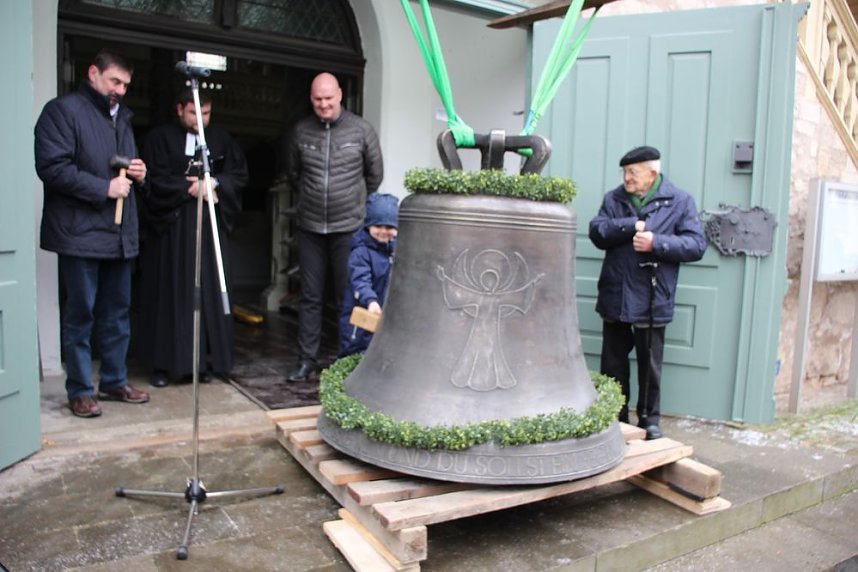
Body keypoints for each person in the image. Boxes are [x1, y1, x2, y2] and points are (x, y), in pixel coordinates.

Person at [35, 49, 150, 418]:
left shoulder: (123, 119)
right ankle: (81, 390)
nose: (120, 90)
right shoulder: (62, 111)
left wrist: (139, 174)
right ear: (92, 73)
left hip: (118, 235)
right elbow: (52, 167)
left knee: (117, 314)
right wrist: (104, 188)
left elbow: (125, 170)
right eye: (115, 81)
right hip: (80, 233)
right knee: (80, 315)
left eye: (126, 85)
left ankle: (114, 381)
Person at [588, 146, 706, 440]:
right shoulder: (614, 199)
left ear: (652, 173)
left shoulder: (680, 201)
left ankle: (649, 420)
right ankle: (615, 417)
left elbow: (696, 246)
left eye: (633, 172)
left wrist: (656, 243)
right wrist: (631, 225)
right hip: (616, 293)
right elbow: (597, 232)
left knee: (650, 364)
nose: (627, 178)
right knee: (613, 364)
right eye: (625, 172)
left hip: (654, 296)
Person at [138, 88, 248, 387]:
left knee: (209, 294)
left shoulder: (221, 140)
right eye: (193, 113)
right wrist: (188, 188)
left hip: (208, 230)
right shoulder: (160, 139)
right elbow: (152, 179)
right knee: (170, 295)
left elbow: (238, 175)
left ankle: (206, 362)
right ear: (179, 110)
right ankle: (163, 365)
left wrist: (214, 182)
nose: (200, 120)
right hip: (172, 232)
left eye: (206, 114)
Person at [286, 72, 384, 381]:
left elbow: (375, 176)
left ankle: (349, 360)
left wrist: (353, 204)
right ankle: (306, 360)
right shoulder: (301, 131)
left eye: (328, 98)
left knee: (350, 295)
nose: (324, 104)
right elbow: (293, 173)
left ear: (339, 95)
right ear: (311, 98)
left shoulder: (362, 130)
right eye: (318, 99)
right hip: (311, 226)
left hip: (349, 227)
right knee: (310, 297)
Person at [338, 193, 399, 358]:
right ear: (368, 226)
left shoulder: (395, 251)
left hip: (384, 315)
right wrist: (370, 300)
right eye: (378, 226)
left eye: (389, 227)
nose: (383, 232)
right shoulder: (360, 252)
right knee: (354, 354)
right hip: (360, 319)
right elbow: (360, 280)